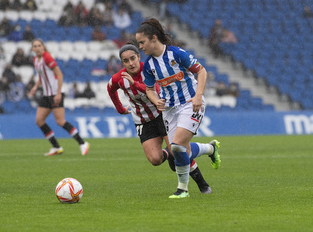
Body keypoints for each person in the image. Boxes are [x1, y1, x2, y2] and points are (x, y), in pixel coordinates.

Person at [107, 42, 215, 195]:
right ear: (122, 63)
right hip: (143, 120)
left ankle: (203, 185)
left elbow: (156, 92)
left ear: (139, 57)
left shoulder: (150, 69)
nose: (131, 63)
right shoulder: (119, 78)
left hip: (162, 113)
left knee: (179, 149)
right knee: (155, 159)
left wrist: (136, 84)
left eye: (133, 58)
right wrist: (119, 108)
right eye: (126, 61)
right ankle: (172, 152)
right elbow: (110, 88)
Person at [136, 18, 221, 198]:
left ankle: (182, 189)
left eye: (142, 42)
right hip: (169, 110)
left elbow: (202, 71)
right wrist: (155, 99)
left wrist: (198, 96)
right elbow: (149, 89)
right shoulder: (149, 66)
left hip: (190, 104)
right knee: (182, 150)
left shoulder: (176, 54)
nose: (140, 47)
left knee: (176, 147)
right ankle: (210, 149)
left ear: (153, 38)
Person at [29, 38, 90, 156]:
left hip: (55, 93)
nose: (37, 48)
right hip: (47, 94)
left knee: (60, 121)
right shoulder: (36, 60)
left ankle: (82, 143)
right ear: (32, 49)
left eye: (39, 46)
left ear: (43, 47)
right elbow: (42, 76)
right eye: (35, 46)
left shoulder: (47, 58)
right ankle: (56, 147)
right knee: (39, 120)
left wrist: (58, 93)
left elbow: (59, 74)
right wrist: (35, 86)